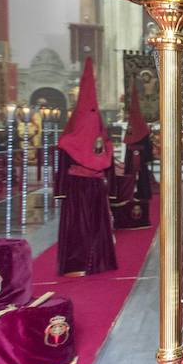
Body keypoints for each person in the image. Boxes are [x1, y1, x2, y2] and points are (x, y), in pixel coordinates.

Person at [55, 58, 117, 277]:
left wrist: (60, 193)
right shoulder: (103, 141)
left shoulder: (67, 141)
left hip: (76, 189)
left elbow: (62, 169)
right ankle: (95, 262)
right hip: (91, 188)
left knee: (81, 228)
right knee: (91, 227)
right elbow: (106, 165)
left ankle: (80, 264)